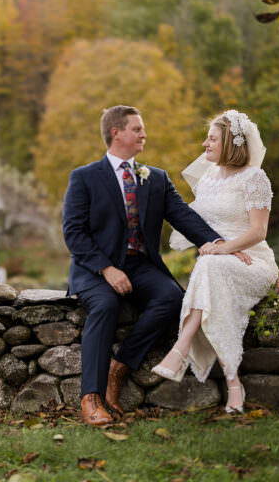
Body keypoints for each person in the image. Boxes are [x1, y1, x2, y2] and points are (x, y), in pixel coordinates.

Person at [62, 105, 223, 426]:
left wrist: (219, 244)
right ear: (115, 133)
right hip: (96, 269)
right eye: (137, 129)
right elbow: (74, 233)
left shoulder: (156, 178)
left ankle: (119, 368)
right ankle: (90, 398)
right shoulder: (83, 177)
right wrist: (106, 269)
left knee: (172, 299)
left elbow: (185, 217)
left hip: (141, 266)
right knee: (106, 305)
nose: (144, 134)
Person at [151, 110, 278, 414]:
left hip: (253, 262)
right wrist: (221, 250)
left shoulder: (254, 178)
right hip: (219, 263)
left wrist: (227, 249)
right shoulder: (207, 179)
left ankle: (181, 348)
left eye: (212, 138)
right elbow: (195, 227)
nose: (204, 143)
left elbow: (258, 231)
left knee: (208, 266)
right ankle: (234, 382)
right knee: (210, 270)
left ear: (231, 144)